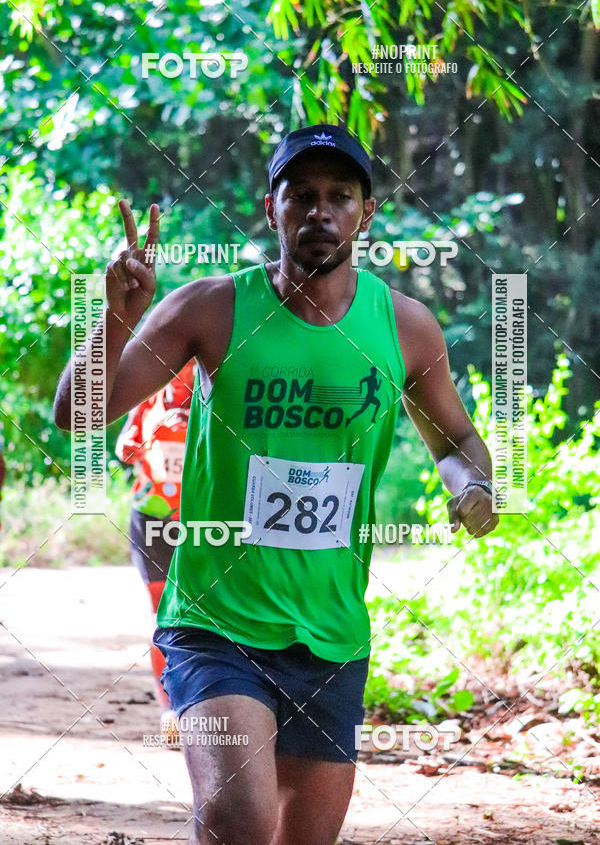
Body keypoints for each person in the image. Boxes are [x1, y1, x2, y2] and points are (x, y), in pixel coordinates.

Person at [54, 123, 499, 845]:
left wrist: (472, 485)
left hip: (332, 633)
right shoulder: (213, 308)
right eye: (302, 196)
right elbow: (77, 412)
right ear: (272, 210)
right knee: (240, 820)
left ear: (366, 214)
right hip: (216, 622)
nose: (319, 211)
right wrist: (113, 316)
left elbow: (456, 440)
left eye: (339, 197)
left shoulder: (406, 327)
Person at [115, 358, 195, 743]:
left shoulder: (215, 393)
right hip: (153, 517)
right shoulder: (148, 397)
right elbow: (123, 450)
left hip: (203, 522)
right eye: (180, 362)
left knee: (201, 613)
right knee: (162, 613)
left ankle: (204, 702)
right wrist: (147, 439)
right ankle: (171, 710)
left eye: (192, 362)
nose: (185, 368)